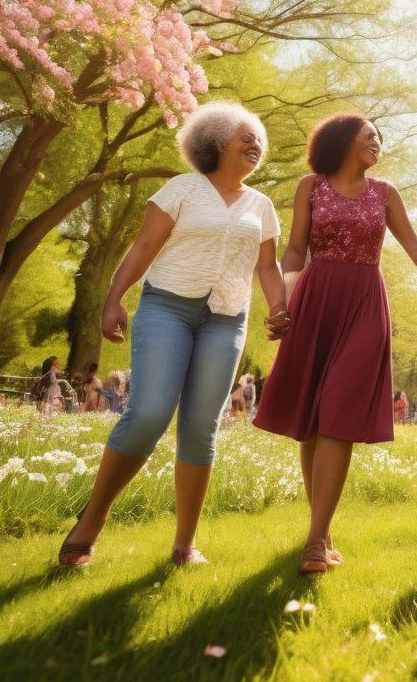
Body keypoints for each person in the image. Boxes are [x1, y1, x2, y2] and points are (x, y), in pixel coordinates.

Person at [57, 102, 288, 568]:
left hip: (227, 318)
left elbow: (267, 266)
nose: (255, 144)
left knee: (202, 428)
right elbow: (144, 246)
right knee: (148, 414)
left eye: (259, 140)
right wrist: (113, 298)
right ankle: (92, 520)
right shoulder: (182, 189)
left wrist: (280, 307)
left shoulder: (260, 205)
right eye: (244, 136)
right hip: (167, 307)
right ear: (215, 142)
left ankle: (185, 545)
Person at [253, 113, 417, 575]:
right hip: (315, 300)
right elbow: (295, 250)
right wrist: (282, 302)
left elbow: (413, 245)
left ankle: (314, 543)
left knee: (338, 412)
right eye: (369, 136)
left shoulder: (385, 193)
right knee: (312, 419)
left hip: (365, 303)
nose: (377, 143)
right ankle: (320, 533)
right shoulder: (311, 186)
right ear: (343, 139)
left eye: (379, 138)